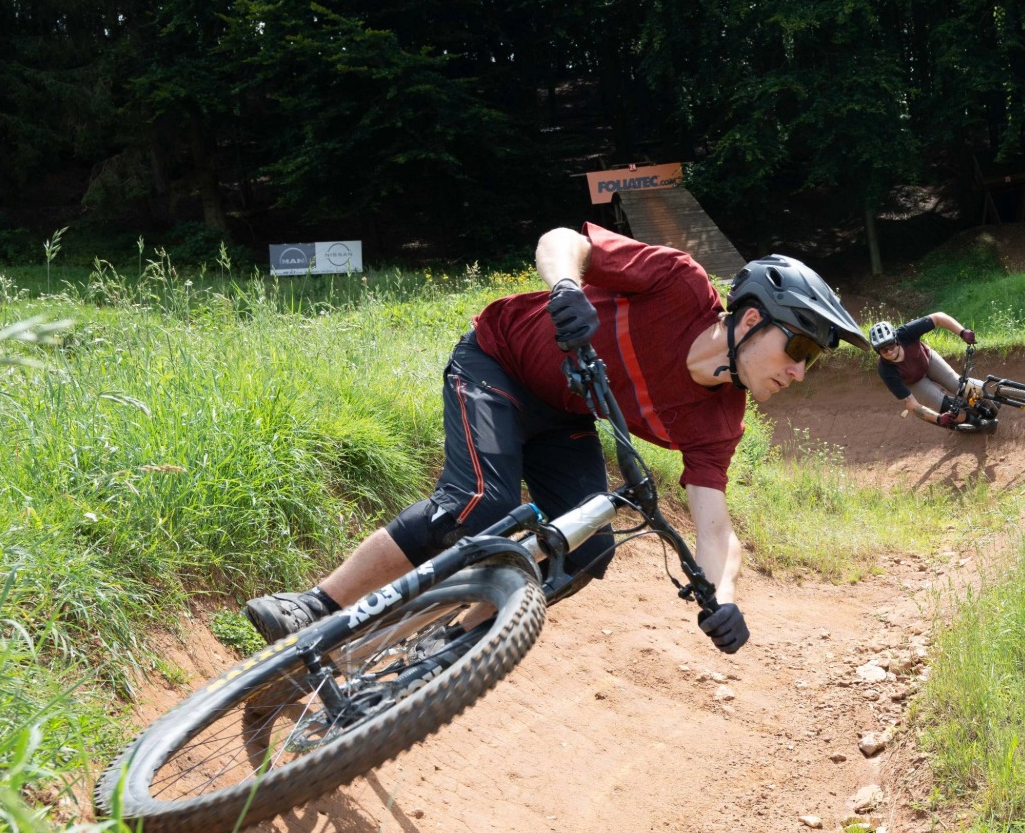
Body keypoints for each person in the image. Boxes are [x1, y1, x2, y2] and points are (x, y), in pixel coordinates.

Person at [245, 223, 867, 655]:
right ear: (752, 320)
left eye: (811, 359)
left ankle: (453, 643)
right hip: (498, 363)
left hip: (563, 417)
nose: (799, 370)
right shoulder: (679, 285)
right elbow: (561, 241)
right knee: (478, 504)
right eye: (801, 347)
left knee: (589, 548)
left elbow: (714, 530)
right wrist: (566, 287)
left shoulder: (720, 421)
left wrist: (722, 596)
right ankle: (316, 605)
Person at [868, 313, 978, 428]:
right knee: (946, 406)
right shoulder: (885, 370)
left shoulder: (906, 333)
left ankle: (980, 401)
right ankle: (977, 423)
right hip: (914, 382)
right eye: (883, 350)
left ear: (896, 340)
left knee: (960, 385)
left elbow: (938, 318)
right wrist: (938, 418)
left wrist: (962, 332)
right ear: (877, 352)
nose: (889, 351)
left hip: (927, 360)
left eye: (890, 345)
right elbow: (910, 404)